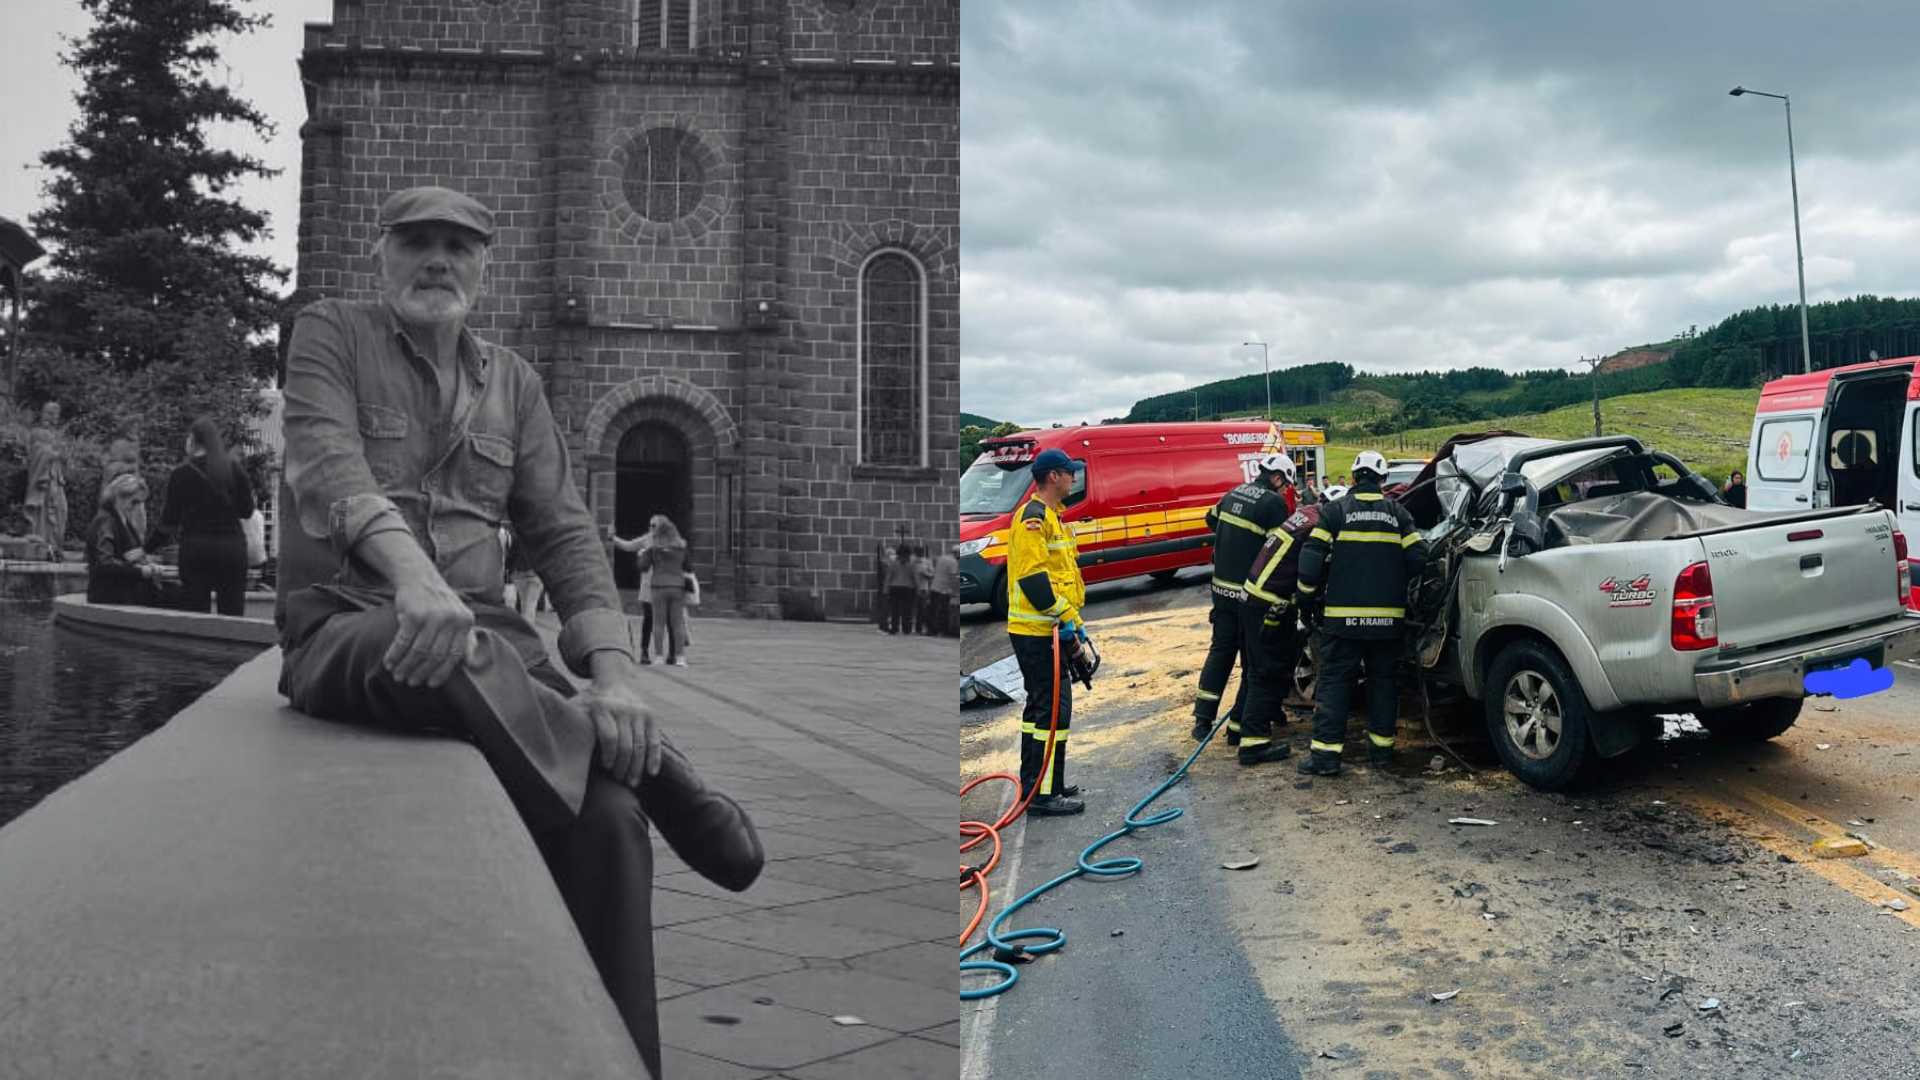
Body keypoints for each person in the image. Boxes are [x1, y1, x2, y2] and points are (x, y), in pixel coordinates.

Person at [277, 185, 761, 1077]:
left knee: (609, 823)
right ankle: (667, 777)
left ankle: (621, 1063)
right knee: (451, 645)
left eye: (459, 246)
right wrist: (415, 579)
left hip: (496, 644)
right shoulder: (330, 333)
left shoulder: (515, 382)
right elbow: (325, 463)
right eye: (417, 241)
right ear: (382, 253)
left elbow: (567, 534)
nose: (437, 260)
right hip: (347, 623)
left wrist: (616, 677)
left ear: (485, 268)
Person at [1295, 450, 1427, 777]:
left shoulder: (1334, 512)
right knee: (1383, 686)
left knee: (1336, 685)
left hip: (1342, 622)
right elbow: (1419, 559)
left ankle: (1326, 759)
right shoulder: (1398, 514)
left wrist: (1306, 601)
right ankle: (1381, 755)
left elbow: (1311, 560)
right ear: (1382, 480)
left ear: (1354, 478)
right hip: (1387, 623)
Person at [1190, 451, 1297, 766]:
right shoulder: (1272, 504)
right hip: (1247, 596)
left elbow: (1211, 519)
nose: (1284, 491)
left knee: (1221, 650)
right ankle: (1240, 729)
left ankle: (1203, 719)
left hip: (1220, 589)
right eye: (1285, 484)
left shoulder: (1233, 492)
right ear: (1277, 477)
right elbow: (1280, 547)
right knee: (1254, 659)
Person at [1006, 447, 1093, 815]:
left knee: (1049, 711)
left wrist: (1073, 624)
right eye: (1070, 472)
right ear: (1053, 476)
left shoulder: (1053, 517)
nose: (1075, 478)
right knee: (1049, 714)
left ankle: (1045, 783)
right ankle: (1042, 796)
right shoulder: (1034, 517)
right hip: (1038, 631)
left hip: (1048, 629)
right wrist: (1066, 617)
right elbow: (1034, 581)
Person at [157, 417, 256, 616]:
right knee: (232, 615)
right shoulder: (233, 468)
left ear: (193, 440)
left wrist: (145, 549)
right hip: (231, 549)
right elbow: (247, 511)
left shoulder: (181, 474)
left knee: (195, 614)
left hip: (196, 550)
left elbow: (169, 522)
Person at [86, 473, 163, 606]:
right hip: (110, 592)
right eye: (134, 502)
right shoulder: (106, 521)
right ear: (119, 496)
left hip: (123, 588)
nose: (137, 507)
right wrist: (141, 571)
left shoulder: (121, 519)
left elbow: (124, 556)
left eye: (139, 503)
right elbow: (105, 563)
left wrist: (145, 565)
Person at [631, 516, 692, 667]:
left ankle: (658, 657)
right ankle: (680, 658)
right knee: (677, 623)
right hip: (677, 587)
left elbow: (643, 567)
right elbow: (688, 567)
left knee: (658, 623)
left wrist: (641, 555)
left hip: (658, 587)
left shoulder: (653, 549)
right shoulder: (681, 547)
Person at [25, 401, 68, 561]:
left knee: (61, 511)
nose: (54, 417)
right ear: (44, 413)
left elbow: (62, 459)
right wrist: (53, 454)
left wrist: (63, 457)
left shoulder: (57, 435)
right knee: (44, 511)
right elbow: (36, 453)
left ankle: (55, 544)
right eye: (50, 413)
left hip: (56, 479)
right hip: (44, 480)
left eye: (56, 414)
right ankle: (43, 543)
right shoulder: (37, 432)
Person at [884, 543, 917, 635]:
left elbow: (888, 577)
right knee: (907, 610)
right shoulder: (911, 564)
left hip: (895, 587)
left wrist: (885, 589)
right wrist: (917, 588)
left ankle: (894, 628)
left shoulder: (893, 564)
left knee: (895, 609)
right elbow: (915, 577)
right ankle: (906, 628)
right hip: (908, 588)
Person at [931, 545, 960, 636]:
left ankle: (933, 630)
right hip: (944, 590)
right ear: (957, 553)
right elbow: (952, 578)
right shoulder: (953, 562)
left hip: (934, 587)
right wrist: (955, 591)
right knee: (944, 611)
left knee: (934, 610)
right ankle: (943, 631)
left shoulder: (941, 558)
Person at [913, 544, 935, 635]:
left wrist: (925, 573)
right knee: (914, 609)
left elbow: (932, 574)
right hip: (913, 587)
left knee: (922, 609)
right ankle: (913, 627)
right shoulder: (912, 562)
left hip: (923, 588)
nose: (920, 554)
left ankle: (921, 627)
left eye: (921, 552)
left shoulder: (927, 562)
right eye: (918, 552)